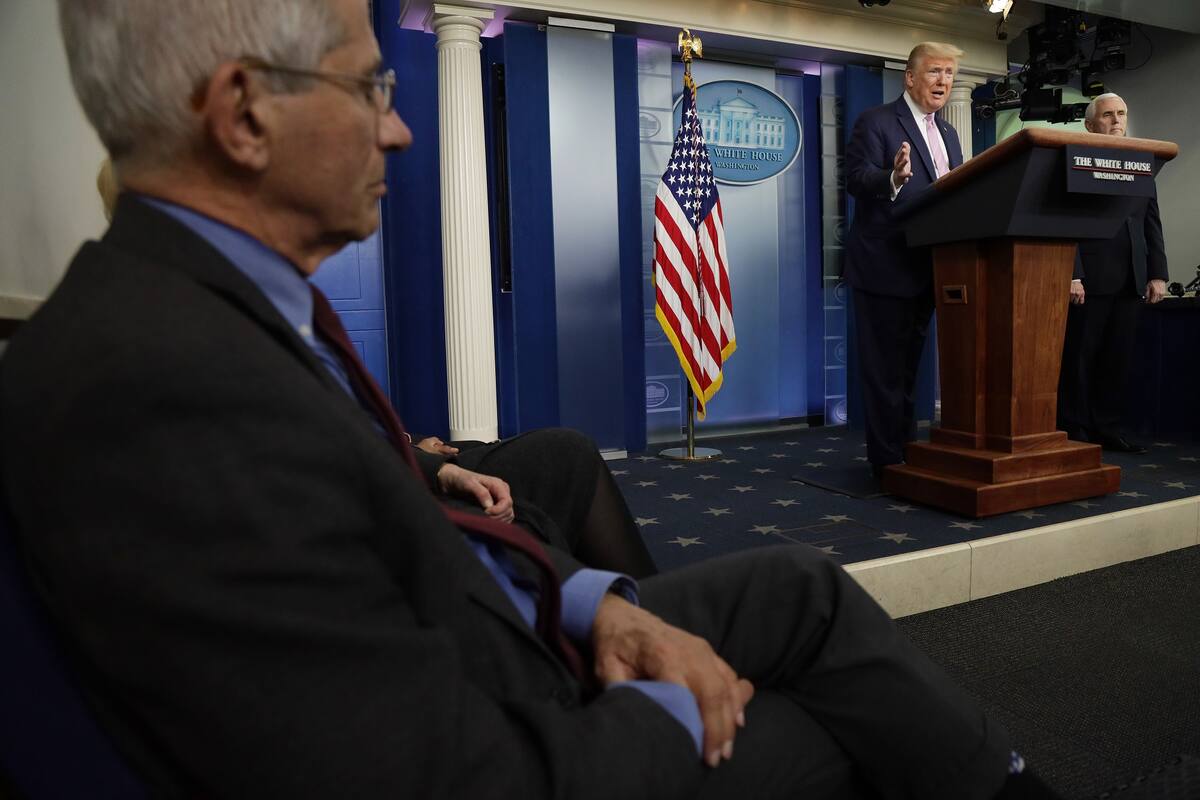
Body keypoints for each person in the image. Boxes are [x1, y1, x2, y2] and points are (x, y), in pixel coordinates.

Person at [1, 3, 1058, 797]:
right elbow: (433, 768)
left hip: (506, 622)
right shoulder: (161, 389)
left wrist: (593, 604)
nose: (397, 130)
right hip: (507, 710)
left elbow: (371, 513)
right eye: (371, 88)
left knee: (802, 587)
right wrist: (675, 702)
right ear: (243, 115)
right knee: (838, 730)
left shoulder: (214, 307)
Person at [843, 42, 965, 478]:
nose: (943, 81)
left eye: (949, 73)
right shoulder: (876, 121)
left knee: (912, 368)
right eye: (934, 72)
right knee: (884, 370)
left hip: (929, 265)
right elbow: (855, 178)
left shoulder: (948, 133)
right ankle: (886, 460)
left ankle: (908, 451)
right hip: (884, 265)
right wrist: (892, 178)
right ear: (910, 78)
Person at [1057, 93, 1168, 454]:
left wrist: (1157, 273)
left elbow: (1151, 222)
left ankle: (1107, 428)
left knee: (1116, 360)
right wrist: (1073, 273)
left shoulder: (1142, 162)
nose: (1117, 120)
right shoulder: (1074, 159)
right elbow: (1065, 221)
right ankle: (1074, 427)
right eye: (1108, 115)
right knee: (1080, 359)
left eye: (1121, 113)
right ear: (1090, 125)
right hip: (1090, 278)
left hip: (1131, 278)